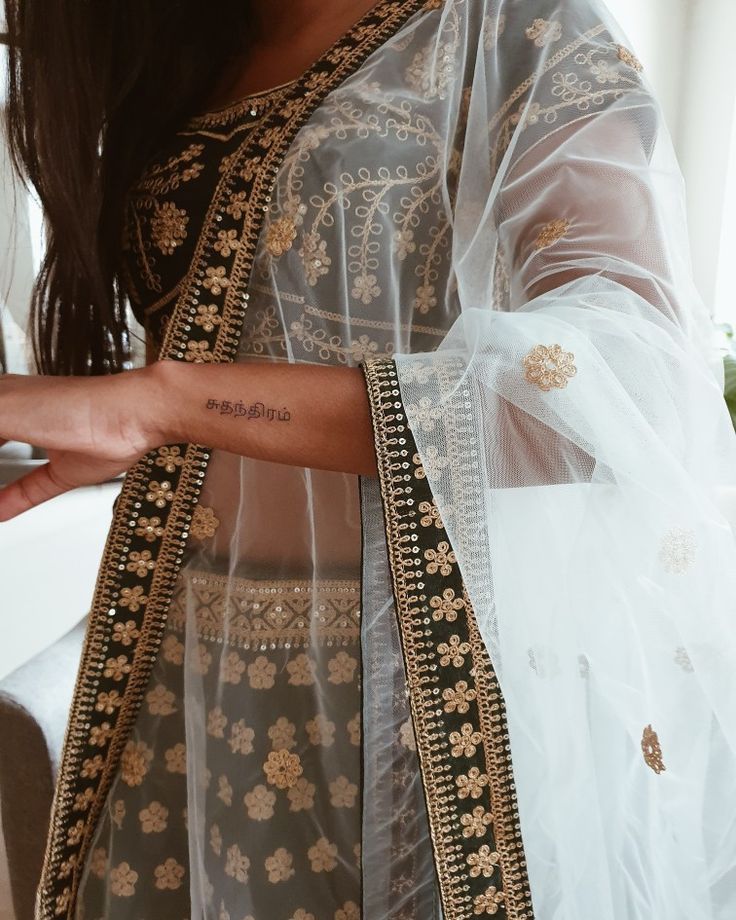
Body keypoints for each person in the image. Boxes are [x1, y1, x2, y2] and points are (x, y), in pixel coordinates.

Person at [3, 0, 736, 918]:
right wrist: (130, 421)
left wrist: (165, 400)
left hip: (423, 692)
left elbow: (622, 395)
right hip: (181, 670)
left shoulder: (514, 26)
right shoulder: (184, 42)